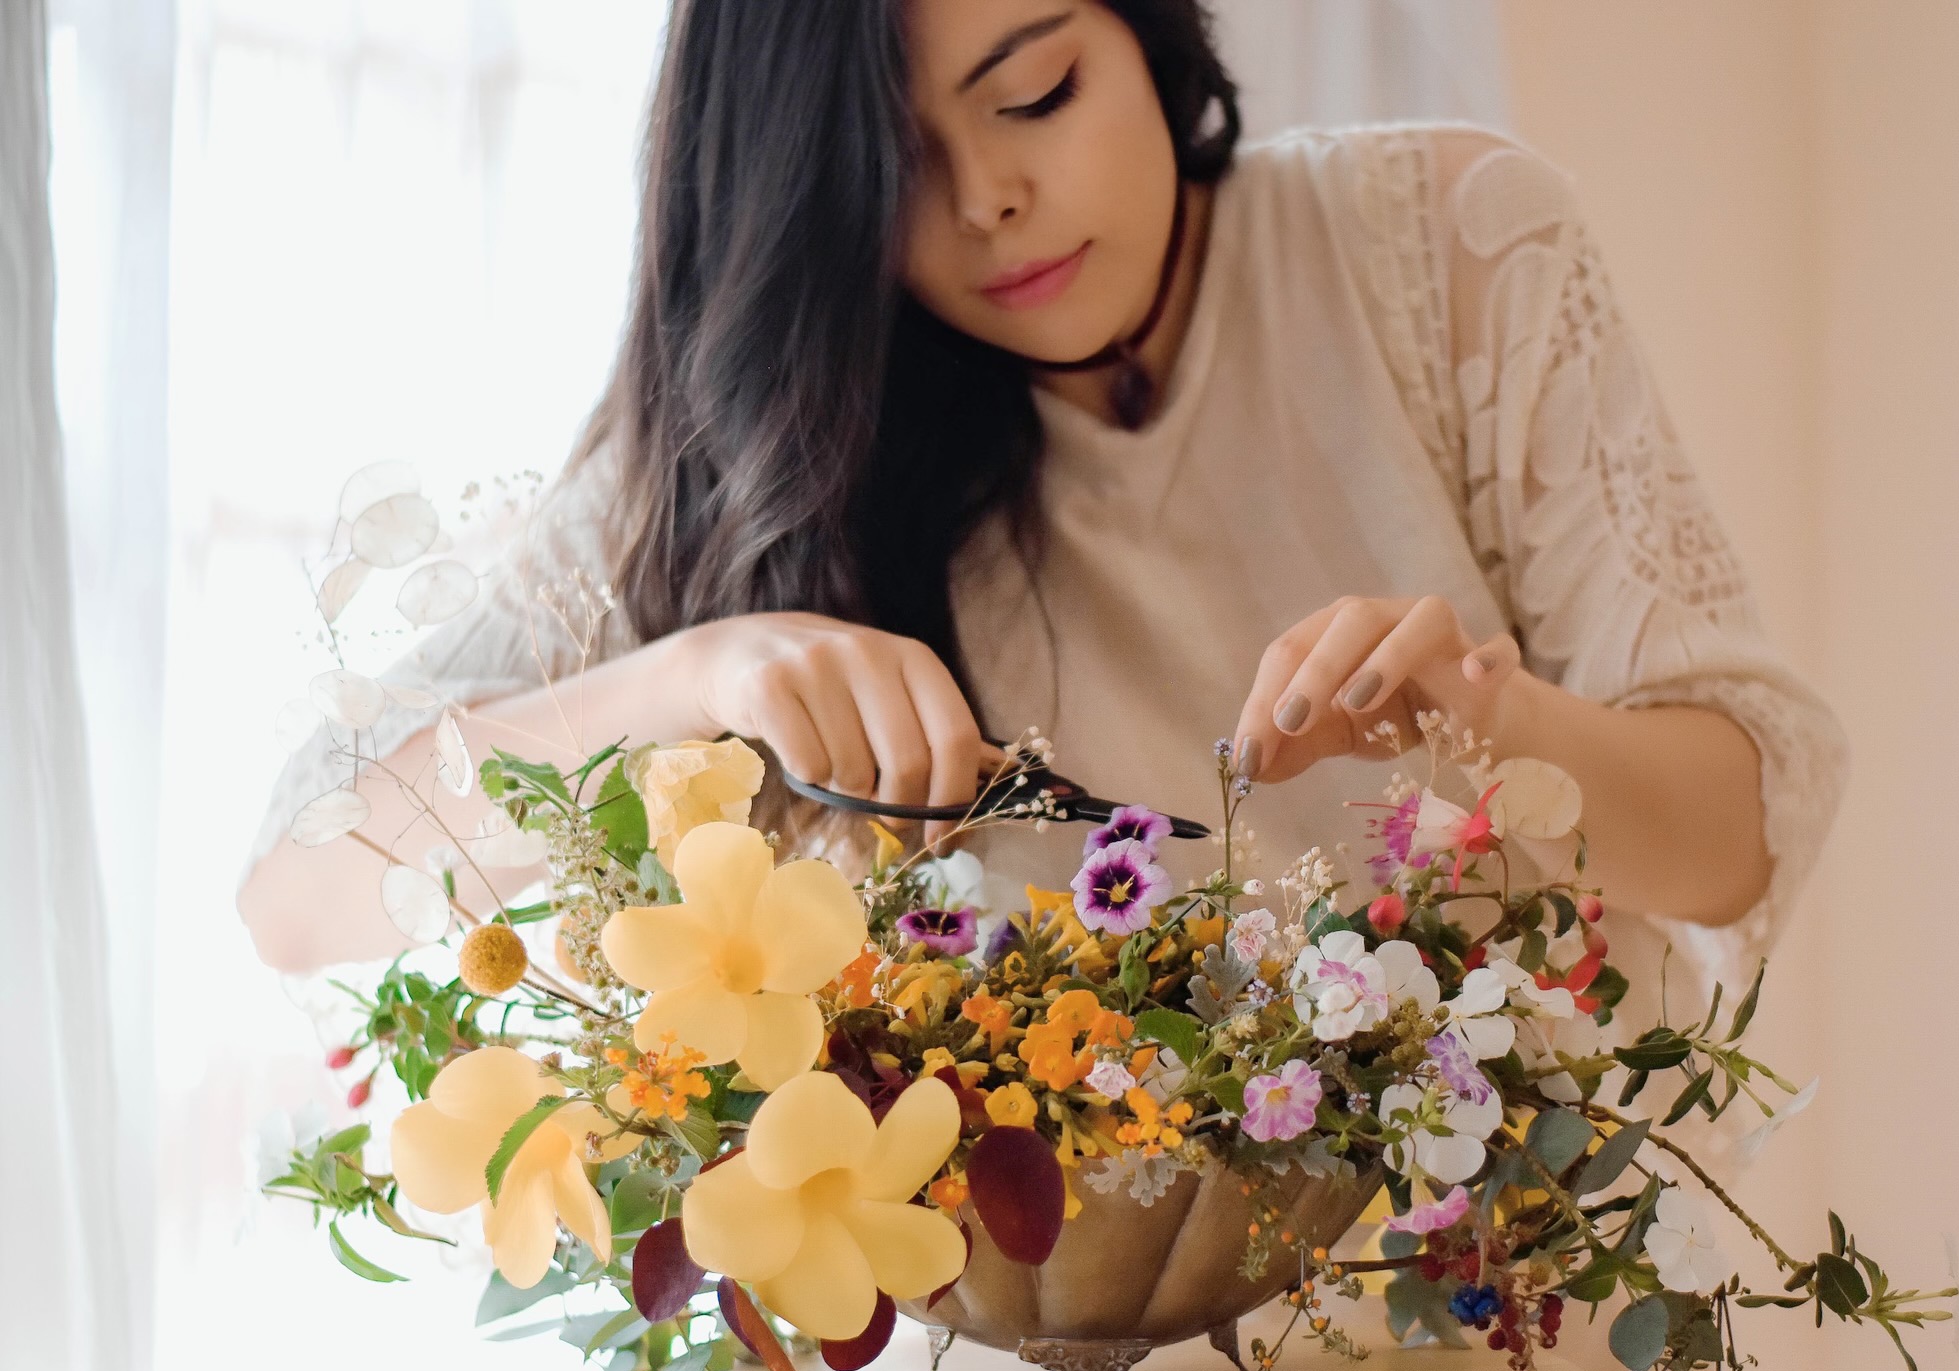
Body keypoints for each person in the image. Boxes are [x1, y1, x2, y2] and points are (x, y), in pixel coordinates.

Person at [239, 0, 1844, 1024]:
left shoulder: (1449, 246)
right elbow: (297, 892)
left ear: (1146, 31)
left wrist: (1488, 721)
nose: (988, 201)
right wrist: (697, 678)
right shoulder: (787, 426)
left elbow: (1741, 834)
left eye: (1036, 93)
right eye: (893, 165)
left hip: (1481, 1333)